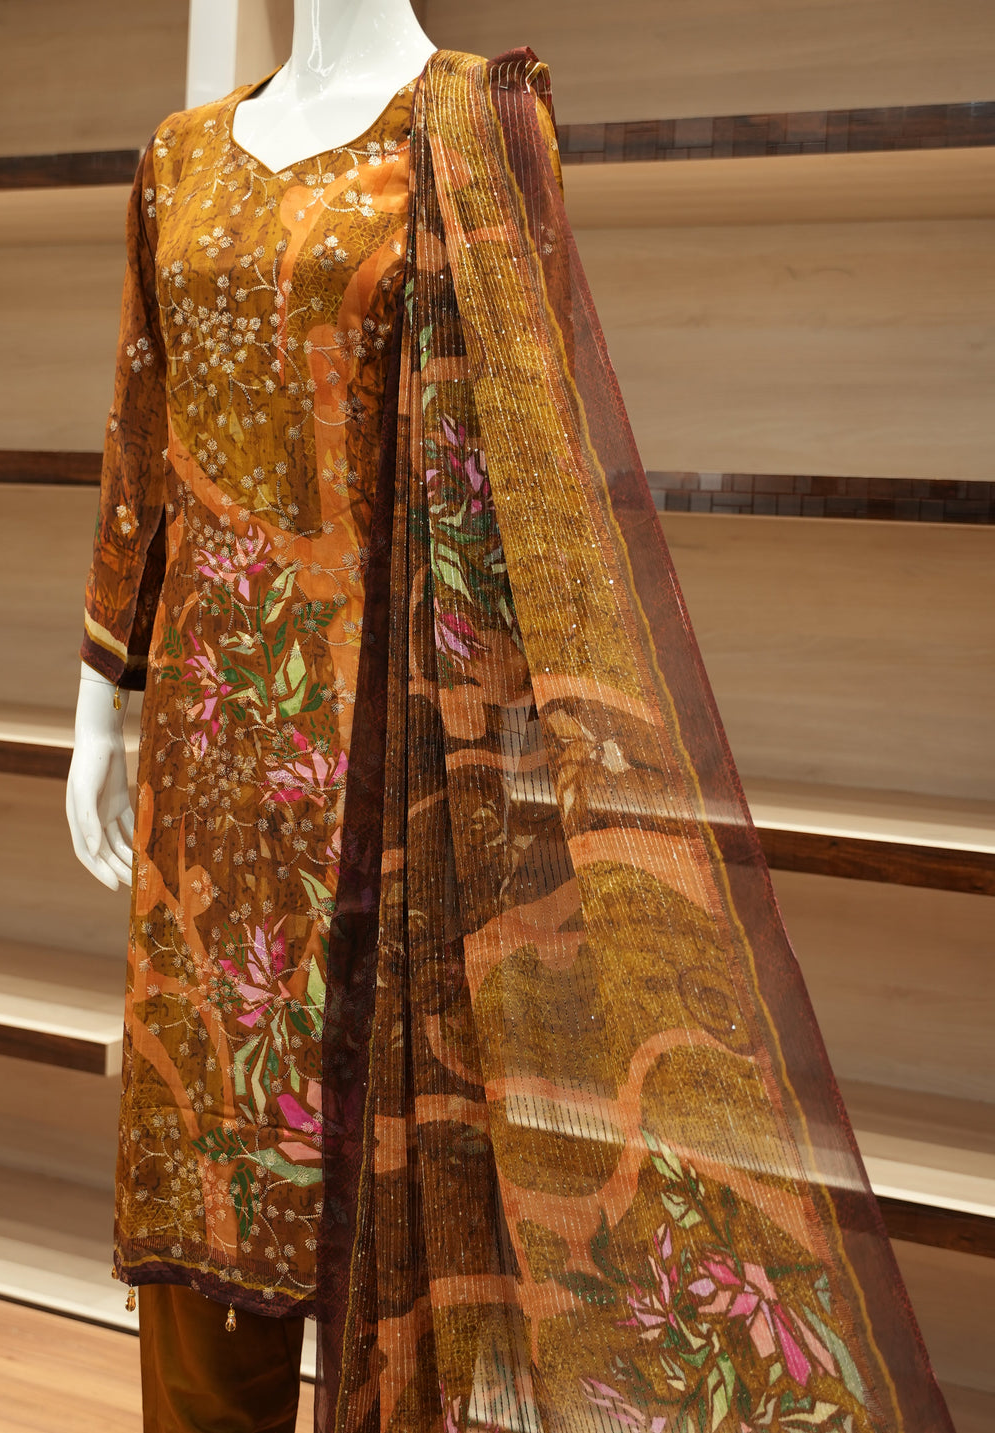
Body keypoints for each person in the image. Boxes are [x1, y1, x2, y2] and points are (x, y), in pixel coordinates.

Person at [67, 4, 953, 1431]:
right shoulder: (178, 160)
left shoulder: (477, 127)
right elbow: (140, 437)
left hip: (390, 782)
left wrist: (536, 768)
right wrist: (98, 703)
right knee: (204, 1195)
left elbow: (525, 463)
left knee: (382, 1216)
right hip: (209, 788)